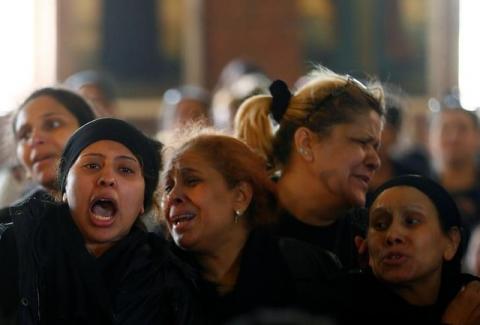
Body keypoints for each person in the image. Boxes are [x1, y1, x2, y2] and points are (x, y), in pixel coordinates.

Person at [0, 118, 200, 324]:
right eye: (92, 165)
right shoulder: (12, 249)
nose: (107, 178)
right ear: (65, 190)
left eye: (125, 170)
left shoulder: (168, 281)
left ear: (143, 201)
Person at [161, 130, 340, 324]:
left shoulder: (305, 267)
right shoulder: (154, 281)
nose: (172, 197)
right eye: (168, 186)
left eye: (192, 181)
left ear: (240, 196)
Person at [234, 66, 384, 269]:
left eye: (376, 147)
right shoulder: (239, 228)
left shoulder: (372, 238)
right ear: (306, 143)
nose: (375, 161)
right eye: (361, 142)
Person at [324, 175, 479, 324]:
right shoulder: (335, 305)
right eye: (380, 225)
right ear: (366, 244)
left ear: (451, 241)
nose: (392, 235)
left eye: (411, 221)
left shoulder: (472, 302)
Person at [1, 87, 96, 208]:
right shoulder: (8, 224)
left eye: (53, 124)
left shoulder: (123, 213)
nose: (34, 139)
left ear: (90, 132)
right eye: (25, 135)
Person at [428, 105, 480, 243]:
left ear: (478, 137)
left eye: (462, 129)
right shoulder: (418, 191)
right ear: (431, 139)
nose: (453, 138)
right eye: (445, 129)